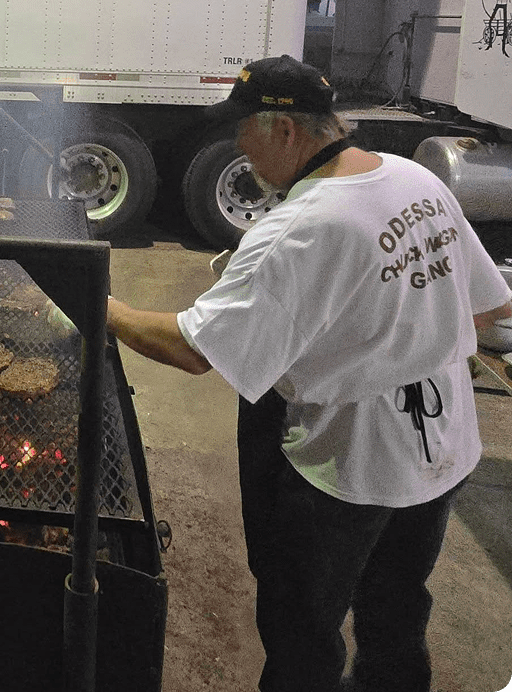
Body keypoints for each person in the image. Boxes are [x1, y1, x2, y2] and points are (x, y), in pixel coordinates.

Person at [105, 55, 512, 692]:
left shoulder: (298, 229)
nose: (236, 143)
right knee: (397, 610)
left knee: (303, 633)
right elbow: (491, 307)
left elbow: (192, 349)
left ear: (285, 132)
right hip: (443, 451)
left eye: (241, 130)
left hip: (347, 466)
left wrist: (103, 308)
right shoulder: (413, 179)